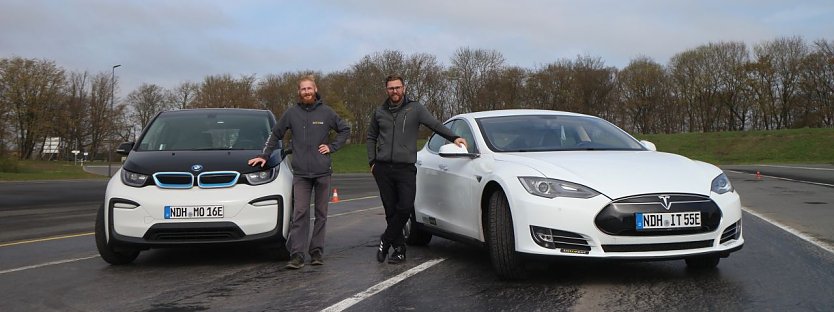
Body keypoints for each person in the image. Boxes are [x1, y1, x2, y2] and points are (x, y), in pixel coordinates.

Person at [248, 75, 350, 269]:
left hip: (322, 172)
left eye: (309, 89)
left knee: (321, 213)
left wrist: (332, 146)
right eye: (303, 89)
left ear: (315, 89)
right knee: (300, 213)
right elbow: (275, 134)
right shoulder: (291, 113)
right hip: (301, 174)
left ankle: (317, 252)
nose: (306, 92)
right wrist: (264, 156)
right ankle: (297, 255)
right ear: (299, 92)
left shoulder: (327, 113)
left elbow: (345, 130)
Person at [366, 74, 466, 264]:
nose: (394, 91)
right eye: (390, 88)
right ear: (386, 90)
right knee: (390, 210)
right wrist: (372, 162)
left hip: (405, 168)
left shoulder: (415, 108)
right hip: (383, 168)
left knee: (404, 208)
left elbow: (435, 124)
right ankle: (399, 250)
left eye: (397, 87)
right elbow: (371, 136)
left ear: (403, 88)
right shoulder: (379, 112)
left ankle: (385, 240)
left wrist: (454, 137)